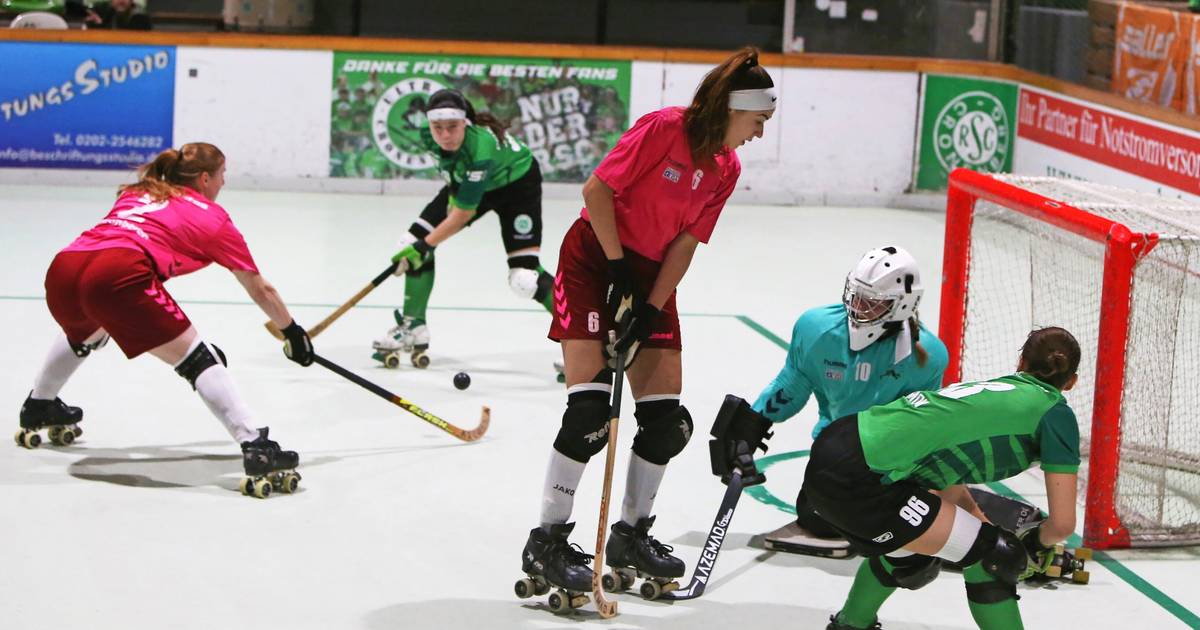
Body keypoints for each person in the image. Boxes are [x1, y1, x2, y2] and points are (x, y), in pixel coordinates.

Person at [517, 47, 777, 607]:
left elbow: (685, 245)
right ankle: (547, 541)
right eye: (758, 120)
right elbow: (597, 193)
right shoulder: (663, 129)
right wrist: (617, 275)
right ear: (734, 108)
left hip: (651, 277)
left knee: (667, 424)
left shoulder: (725, 169)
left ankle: (630, 536)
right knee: (590, 414)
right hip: (593, 260)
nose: (759, 133)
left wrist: (648, 309)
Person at [15, 143, 314, 498]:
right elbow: (260, 288)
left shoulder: (140, 192)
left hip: (65, 269)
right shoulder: (213, 218)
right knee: (201, 359)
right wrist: (292, 331)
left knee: (88, 331)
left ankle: (39, 404)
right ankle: (256, 446)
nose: (223, 183)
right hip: (116, 274)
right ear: (204, 179)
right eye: (221, 176)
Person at [737, 327, 1081, 630]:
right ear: (1071, 382)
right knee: (996, 558)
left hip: (840, 449)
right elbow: (1063, 525)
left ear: (1020, 362)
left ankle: (850, 625)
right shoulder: (1054, 414)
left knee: (912, 557)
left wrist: (981, 521)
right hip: (858, 479)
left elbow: (941, 471)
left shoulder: (994, 391)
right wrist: (1035, 542)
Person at [754, 246, 947, 558]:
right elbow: (792, 383)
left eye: (872, 302)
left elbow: (919, 433)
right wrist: (752, 424)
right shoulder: (816, 327)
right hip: (832, 455)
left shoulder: (928, 356)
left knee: (836, 518)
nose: (858, 307)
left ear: (902, 305)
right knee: (816, 517)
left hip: (882, 461)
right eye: (855, 295)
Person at [372, 88, 554, 370]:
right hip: (468, 184)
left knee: (524, 278)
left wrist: (425, 246)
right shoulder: (426, 135)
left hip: (517, 184)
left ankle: (586, 337)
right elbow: (456, 190)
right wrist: (421, 245)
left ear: (465, 123)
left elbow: (463, 213)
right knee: (409, 242)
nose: (445, 135)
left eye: (453, 127)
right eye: (438, 128)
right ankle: (413, 326)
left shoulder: (480, 149)